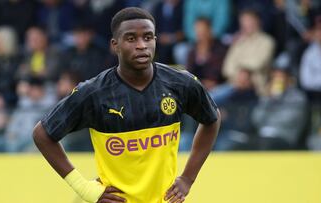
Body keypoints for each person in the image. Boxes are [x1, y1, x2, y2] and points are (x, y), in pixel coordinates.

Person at [33, 7, 220, 203]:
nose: (141, 45)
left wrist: (188, 178)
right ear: (115, 45)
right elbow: (42, 134)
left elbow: (212, 119)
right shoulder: (93, 92)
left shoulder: (180, 82)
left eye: (148, 37)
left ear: (155, 40)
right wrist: (83, 187)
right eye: (131, 39)